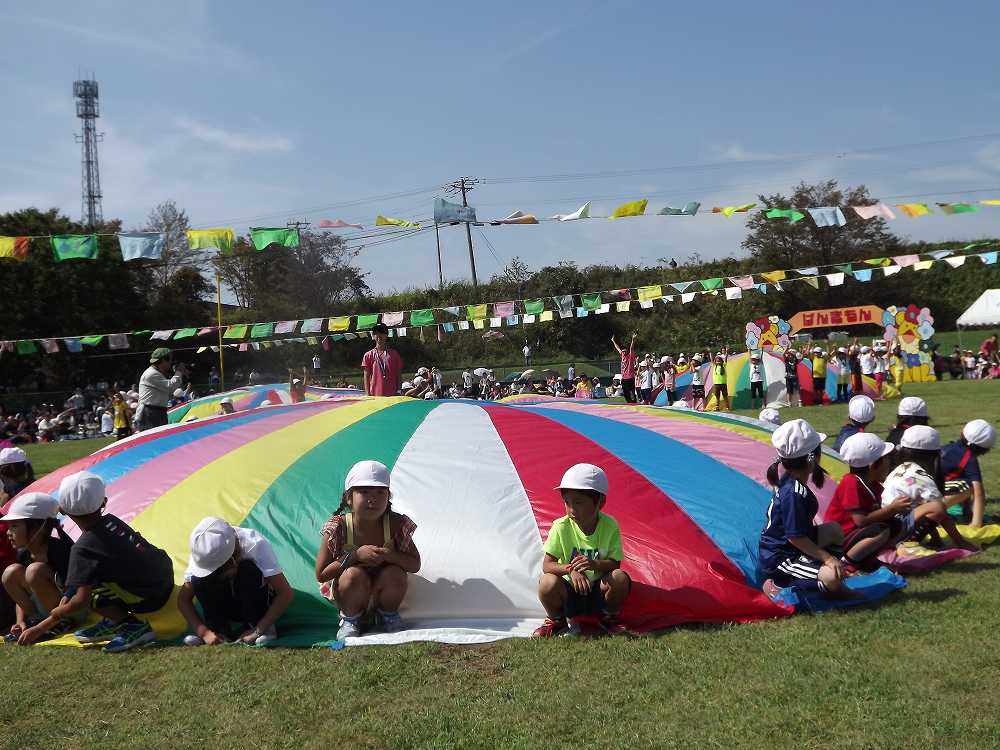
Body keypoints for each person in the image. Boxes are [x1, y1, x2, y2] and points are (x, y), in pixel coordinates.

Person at [15, 472, 174, 652]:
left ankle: (131, 626)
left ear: (63, 510)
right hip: (165, 576)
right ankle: (115, 619)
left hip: (150, 598)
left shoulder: (83, 549)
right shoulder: (111, 521)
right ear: (103, 502)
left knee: (86, 583)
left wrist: (50, 620)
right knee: (88, 574)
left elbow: (81, 600)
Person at [315, 461, 420, 640]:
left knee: (395, 573)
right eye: (364, 492)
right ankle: (350, 620)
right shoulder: (339, 526)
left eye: (380, 492)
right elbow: (322, 574)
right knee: (353, 575)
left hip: (383, 590)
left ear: (388, 497)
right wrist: (355, 555)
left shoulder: (394, 524)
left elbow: (415, 564)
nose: (373, 499)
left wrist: (391, 555)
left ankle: (387, 615)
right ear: (349, 498)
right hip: (350, 592)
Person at [533, 463, 630, 637]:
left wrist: (594, 564)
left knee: (620, 578)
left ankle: (609, 618)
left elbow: (615, 564)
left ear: (600, 502)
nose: (571, 509)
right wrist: (570, 569)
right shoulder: (560, 527)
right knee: (547, 582)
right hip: (570, 592)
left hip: (597, 592)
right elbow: (547, 566)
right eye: (567, 502)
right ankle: (557, 620)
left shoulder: (610, 525)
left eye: (578, 502)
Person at [758, 419, 848, 598]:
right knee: (832, 577)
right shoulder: (793, 493)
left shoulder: (791, 482)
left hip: (794, 545)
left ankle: (820, 570)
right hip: (781, 558)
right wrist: (828, 558)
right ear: (813, 458)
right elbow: (795, 538)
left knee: (834, 530)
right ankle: (778, 585)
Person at [177, 517, 293, 646]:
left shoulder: (255, 544)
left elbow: (285, 593)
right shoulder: (202, 553)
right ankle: (219, 630)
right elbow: (183, 600)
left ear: (232, 561)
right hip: (230, 605)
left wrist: (258, 630)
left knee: (247, 569)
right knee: (198, 579)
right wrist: (204, 632)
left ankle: (261, 625)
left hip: (258, 601)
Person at [882, 426, 978, 550]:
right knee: (938, 507)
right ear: (933, 456)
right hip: (897, 531)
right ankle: (905, 543)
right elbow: (941, 514)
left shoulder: (899, 469)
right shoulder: (923, 478)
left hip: (886, 528)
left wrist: (935, 538)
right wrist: (960, 542)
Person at [2, 493, 77, 643]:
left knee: (34, 571)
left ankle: (60, 625)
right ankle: (34, 621)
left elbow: (76, 591)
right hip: (47, 613)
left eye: (15, 526)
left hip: (70, 610)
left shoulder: (59, 550)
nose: (8, 532)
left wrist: (46, 625)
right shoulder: (24, 554)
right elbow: (21, 595)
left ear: (39, 527)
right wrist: (20, 621)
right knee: (11, 572)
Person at [824, 433, 905, 571]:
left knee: (896, 524)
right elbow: (860, 520)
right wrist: (892, 509)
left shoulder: (873, 485)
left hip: (856, 534)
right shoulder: (851, 483)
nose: (889, 462)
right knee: (881, 531)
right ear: (873, 464)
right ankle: (847, 563)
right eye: (886, 458)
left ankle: (867, 558)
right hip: (838, 539)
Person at [940, 419, 996, 528]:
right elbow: (978, 492)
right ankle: (935, 509)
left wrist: (967, 512)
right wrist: (976, 523)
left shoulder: (947, 447)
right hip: (931, 500)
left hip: (921, 492)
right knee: (969, 486)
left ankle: (966, 514)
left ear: (962, 433)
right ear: (986, 449)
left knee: (963, 482)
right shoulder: (969, 458)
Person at [137, 348, 188, 431]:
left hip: (155, 412)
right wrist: (179, 371)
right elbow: (171, 386)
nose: (171, 363)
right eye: (170, 360)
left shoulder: (155, 373)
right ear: (164, 360)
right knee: (154, 440)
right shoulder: (152, 374)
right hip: (150, 412)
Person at [361, 324, 403, 397]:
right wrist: (368, 394)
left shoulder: (394, 354)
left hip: (392, 394)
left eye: (382, 332)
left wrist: (399, 390)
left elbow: (398, 374)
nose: (379, 335)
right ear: (373, 336)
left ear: (386, 335)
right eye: (376, 333)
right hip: (375, 395)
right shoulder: (368, 355)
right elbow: (366, 376)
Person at [612, 333, 638, 404]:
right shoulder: (622, 355)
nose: (623, 352)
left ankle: (634, 402)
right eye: (622, 351)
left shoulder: (630, 356)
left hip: (630, 377)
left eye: (624, 351)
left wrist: (633, 339)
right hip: (624, 378)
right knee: (626, 392)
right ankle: (629, 403)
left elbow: (632, 348)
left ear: (627, 351)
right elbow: (617, 348)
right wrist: (613, 341)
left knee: (632, 392)